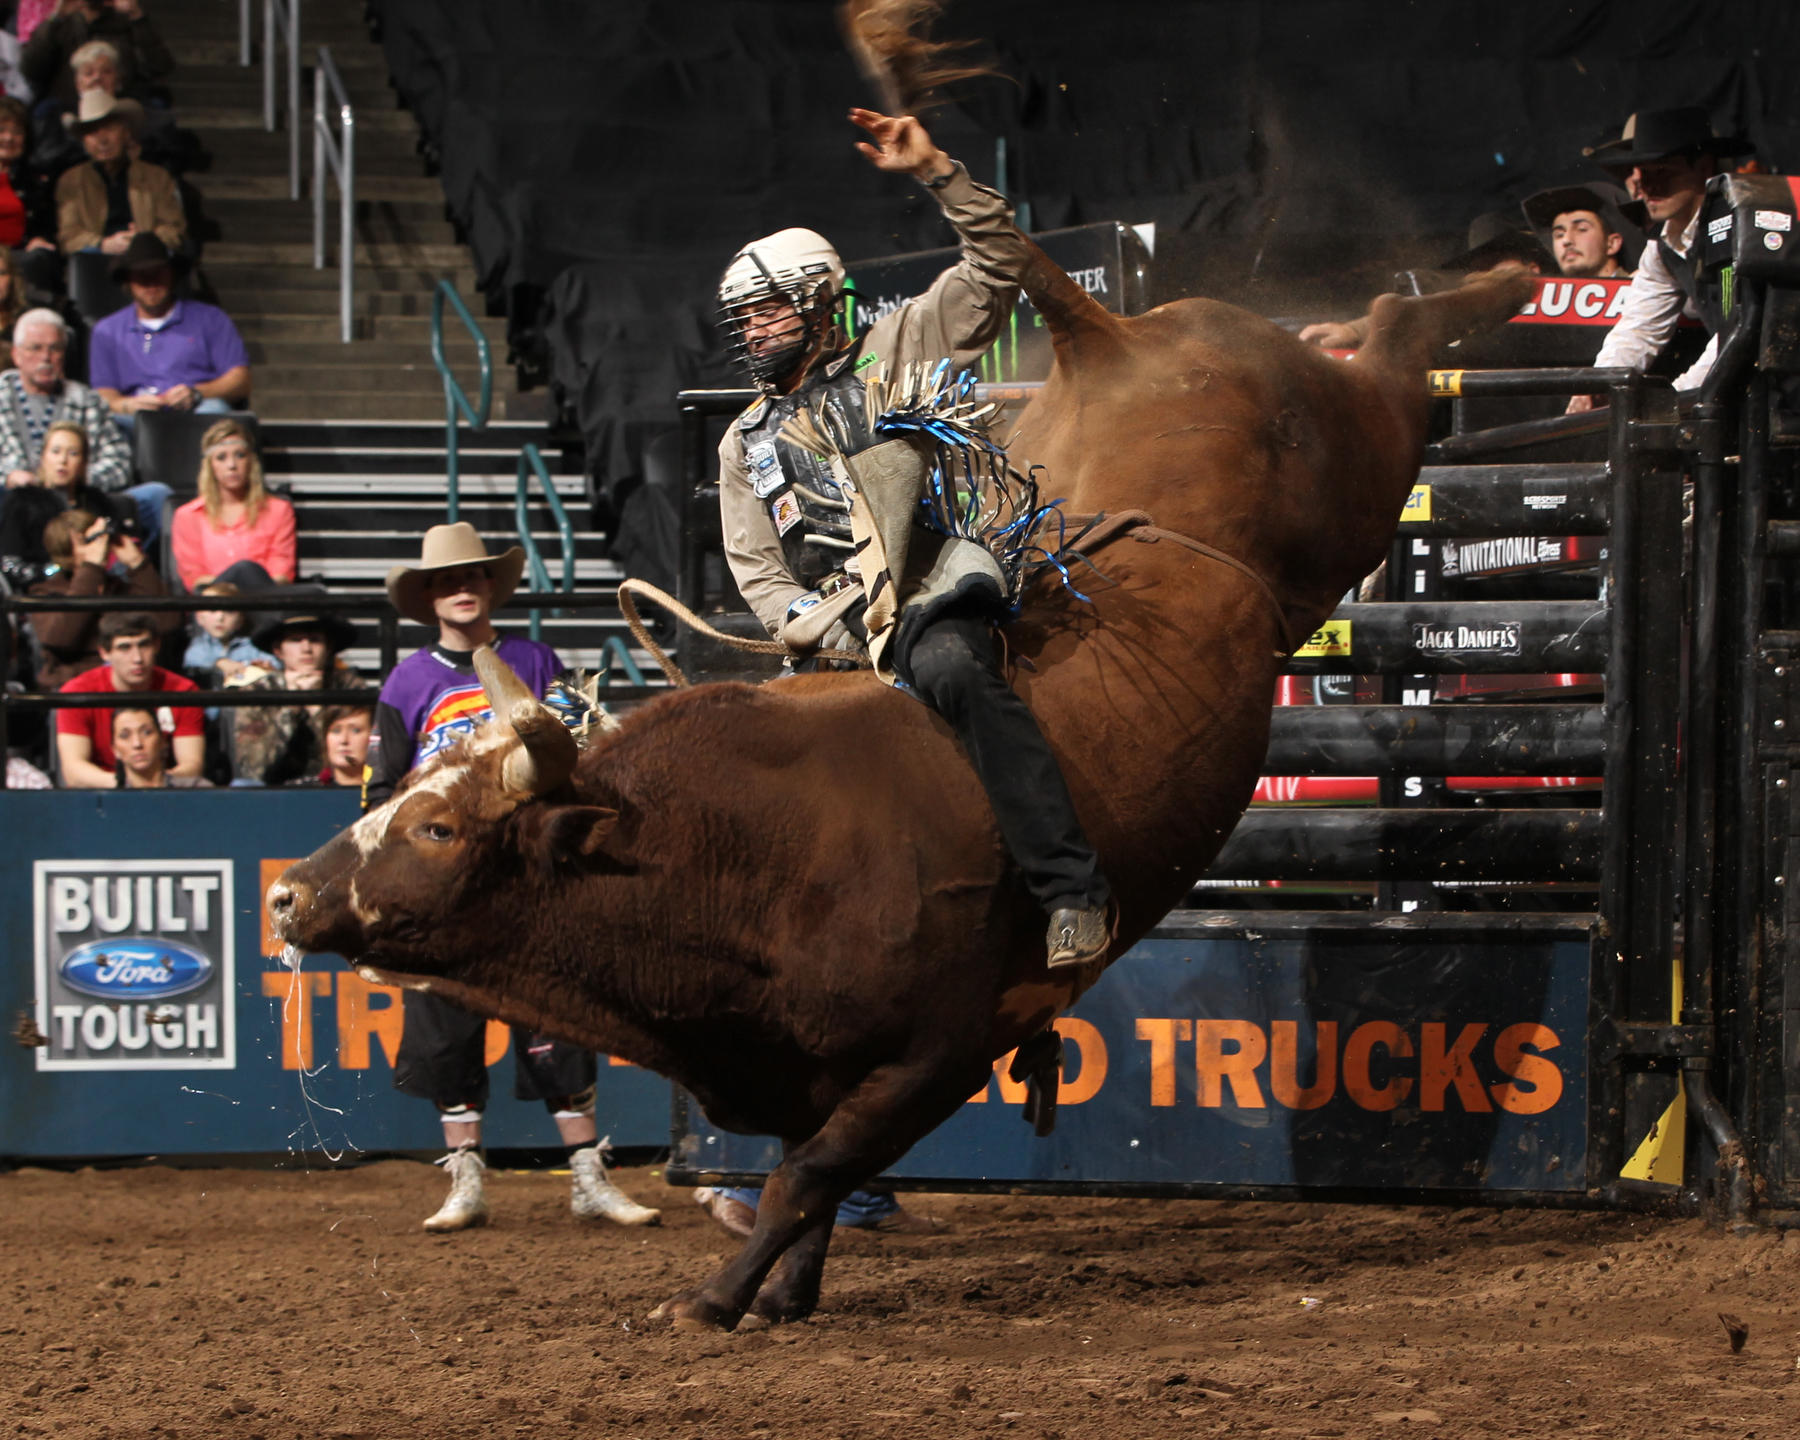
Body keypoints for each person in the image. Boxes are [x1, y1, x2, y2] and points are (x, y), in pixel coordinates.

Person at [715, 106, 1111, 970]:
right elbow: (756, 570)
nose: (752, 331)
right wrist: (811, 622)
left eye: (767, 312)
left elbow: (999, 265)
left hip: (929, 596)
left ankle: (1071, 889)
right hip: (832, 632)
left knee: (955, 672)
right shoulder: (742, 440)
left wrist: (936, 170)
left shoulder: (893, 349)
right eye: (743, 319)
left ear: (818, 301)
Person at [369, 521, 660, 1232]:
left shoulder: (533, 660)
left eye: (471, 578)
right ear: (431, 598)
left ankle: (588, 1174)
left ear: (488, 588)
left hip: (525, 876)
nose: (461, 589)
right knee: (446, 1027)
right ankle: (465, 1179)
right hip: (447, 881)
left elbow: (570, 753)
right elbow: (382, 792)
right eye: (446, 581)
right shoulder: (409, 681)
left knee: (557, 1020)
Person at [1568, 108, 1753, 414]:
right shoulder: (1662, 246)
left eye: (1663, 171)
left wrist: (1673, 401)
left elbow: (1735, 329)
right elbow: (1640, 326)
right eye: (1642, 173)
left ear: (1704, 167)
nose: (1648, 186)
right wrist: (1600, 383)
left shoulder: (1735, 227)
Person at [0, 308, 156, 538]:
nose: (45, 357)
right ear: (16, 355)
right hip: (13, 501)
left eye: (54, 348)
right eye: (35, 348)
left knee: (156, 495)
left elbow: (119, 464)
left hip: (78, 504)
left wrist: (73, 478)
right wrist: (8, 476)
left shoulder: (87, 400)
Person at [1298, 213, 1551, 350]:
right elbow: (1433, 311)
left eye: (1497, 262)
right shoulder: (1471, 311)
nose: (1486, 275)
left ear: (1533, 267)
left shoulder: (1580, 293)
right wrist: (1355, 331)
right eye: (1478, 267)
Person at [90, 235, 250, 427]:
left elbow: (240, 379)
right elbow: (103, 392)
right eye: (141, 274)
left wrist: (197, 393)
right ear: (128, 280)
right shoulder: (106, 330)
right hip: (134, 417)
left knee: (213, 411)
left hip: (195, 410)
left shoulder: (211, 319)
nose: (150, 282)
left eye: (157, 272)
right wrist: (126, 404)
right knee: (101, 421)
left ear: (171, 274)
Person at [26, 506, 174, 690]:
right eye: (89, 541)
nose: (100, 546)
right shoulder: (45, 592)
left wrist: (138, 565)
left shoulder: (119, 587)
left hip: (131, 684)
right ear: (66, 551)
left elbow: (168, 623)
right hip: (74, 688)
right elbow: (60, 639)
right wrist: (90, 568)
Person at [228, 592, 368, 786]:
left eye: (315, 639)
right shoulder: (258, 691)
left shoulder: (351, 688)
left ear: (328, 647)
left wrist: (317, 708)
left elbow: (354, 759)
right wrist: (291, 706)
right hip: (272, 788)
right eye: (295, 640)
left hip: (336, 784)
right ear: (278, 650)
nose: (306, 648)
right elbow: (252, 766)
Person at [54, 606, 201, 787]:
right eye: (125, 648)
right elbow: (74, 772)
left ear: (157, 645)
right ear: (105, 653)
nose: (137, 658)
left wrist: (155, 786)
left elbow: (192, 766)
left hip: (166, 795)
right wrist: (130, 785)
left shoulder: (182, 691)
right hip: (102, 796)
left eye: (144, 645)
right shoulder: (77, 693)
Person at [168, 420, 294, 592]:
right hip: (213, 607)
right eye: (221, 457)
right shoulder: (187, 516)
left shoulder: (278, 511)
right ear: (210, 465)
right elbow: (195, 579)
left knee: (246, 569)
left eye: (240, 455)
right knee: (243, 570)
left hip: (263, 601)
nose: (232, 465)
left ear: (251, 461)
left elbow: (281, 574)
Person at [54, 89, 183, 256]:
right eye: (93, 132)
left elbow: (174, 229)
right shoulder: (71, 181)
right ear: (84, 141)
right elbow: (68, 237)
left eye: (108, 128)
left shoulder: (157, 177)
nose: (102, 140)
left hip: (147, 261)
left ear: (125, 132)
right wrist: (103, 244)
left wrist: (142, 240)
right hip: (95, 263)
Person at [0, 419, 122, 567]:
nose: (63, 460)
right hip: (43, 587)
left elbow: (116, 552)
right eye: (55, 451)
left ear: (84, 462)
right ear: (43, 457)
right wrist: (60, 569)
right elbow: (11, 564)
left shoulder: (97, 501)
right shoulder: (21, 501)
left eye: (73, 453)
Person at [21, 0, 174, 111]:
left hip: (119, 108)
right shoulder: (61, 24)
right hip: (69, 109)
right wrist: (55, 19)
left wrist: (137, 17)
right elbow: (31, 69)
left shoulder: (129, 23)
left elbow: (160, 66)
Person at [1521, 182, 1643, 279]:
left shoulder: (1641, 294)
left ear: (1612, 243)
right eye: (1559, 235)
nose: (1566, 240)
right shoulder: (1543, 305)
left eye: (1582, 229)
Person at [0, 96, 60, 284]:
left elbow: (47, 225)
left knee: (39, 258)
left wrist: (37, 239)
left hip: (21, 259)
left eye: (17, 132)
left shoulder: (37, 179)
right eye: (1, 130)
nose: (9, 138)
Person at [182, 578, 275, 687]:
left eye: (229, 611)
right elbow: (192, 662)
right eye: (213, 610)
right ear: (199, 618)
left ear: (240, 620)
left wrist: (266, 666)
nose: (220, 617)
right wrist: (219, 663)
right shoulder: (199, 646)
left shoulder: (252, 646)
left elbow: (274, 663)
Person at [109, 703, 208, 788]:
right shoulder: (106, 801)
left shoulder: (198, 790)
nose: (137, 743)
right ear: (115, 749)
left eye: (147, 732)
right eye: (125, 736)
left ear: (162, 741)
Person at [315, 701, 373, 787]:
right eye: (336, 731)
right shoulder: (299, 792)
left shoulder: (394, 795)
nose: (344, 740)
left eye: (355, 730)